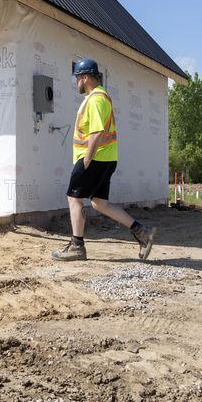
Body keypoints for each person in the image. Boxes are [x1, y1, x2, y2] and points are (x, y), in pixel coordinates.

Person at [52, 58, 157, 262]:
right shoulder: (98, 97)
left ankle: (77, 246)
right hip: (105, 158)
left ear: (85, 77)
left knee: (74, 198)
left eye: (77, 78)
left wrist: (86, 160)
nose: (76, 83)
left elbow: (97, 132)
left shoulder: (96, 98)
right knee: (100, 203)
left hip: (94, 158)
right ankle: (142, 231)